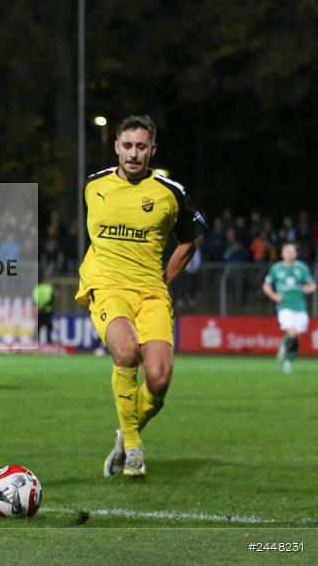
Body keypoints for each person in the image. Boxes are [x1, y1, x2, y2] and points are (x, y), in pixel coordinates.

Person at [75, 115, 205, 479]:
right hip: (107, 285)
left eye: (141, 147)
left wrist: (164, 280)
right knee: (126, 351)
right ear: (116, 146)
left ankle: (124, 433)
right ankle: (133, 449)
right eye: (127, 146)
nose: (133, 154)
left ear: (152, 150)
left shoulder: (169, 192)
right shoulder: (94, 186)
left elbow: (189, 240)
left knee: (159, 379)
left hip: (150, 291)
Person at [262, 241, 316, 373]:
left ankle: (288, 360)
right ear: (282, 253)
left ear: (296, 253)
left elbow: (312, 285)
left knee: (296, 336)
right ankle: (287, 361)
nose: (290, 253)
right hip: (284, 306)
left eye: (292, 251)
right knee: (292, 333)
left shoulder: (302, 267)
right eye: (287, 251)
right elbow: (266, 286)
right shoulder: (276, 268)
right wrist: (274, 296)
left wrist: (308, 289)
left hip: (300, 307)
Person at [33, 277, 55, 344]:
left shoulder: (36, 288)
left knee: (38, 326)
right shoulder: (49, 288)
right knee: (49, 326)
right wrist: (44, 306)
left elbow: (34, 299)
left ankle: (37, 341)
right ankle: (49, 341)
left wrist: (39, 307)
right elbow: (52, 299)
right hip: (47, 311)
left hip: (38, 311)